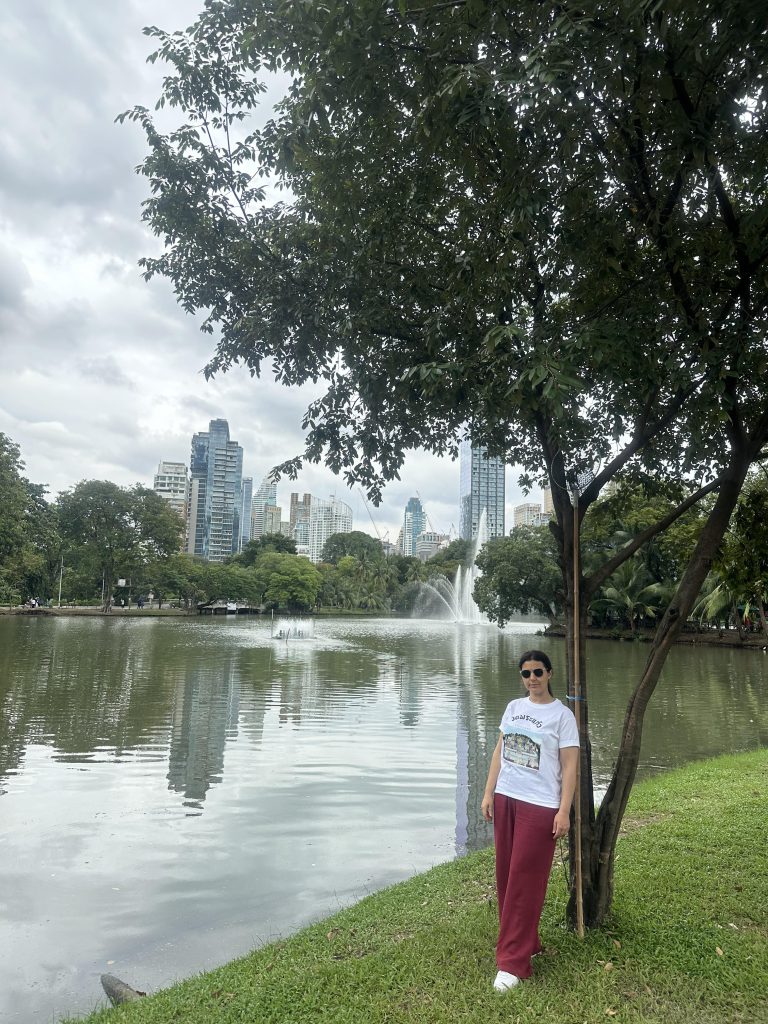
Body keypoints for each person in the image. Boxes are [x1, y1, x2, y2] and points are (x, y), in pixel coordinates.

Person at [481, 649, 579, 992]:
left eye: (538, 672)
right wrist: (489, 792)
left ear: (549, 674)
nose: (532, 678)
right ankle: (528, 942)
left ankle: (512, 962)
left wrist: (564, 810)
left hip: (540, 806)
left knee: (526, 880)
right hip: (507, 797)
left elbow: (569, 766)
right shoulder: (513, 707)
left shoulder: (562, 716)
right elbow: (499, 751)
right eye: (526, 673)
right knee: (507, 876)